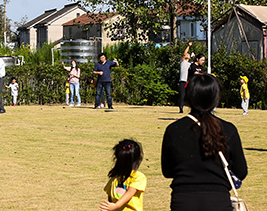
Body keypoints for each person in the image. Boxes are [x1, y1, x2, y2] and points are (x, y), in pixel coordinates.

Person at [161, 74, 248, 211]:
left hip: (183, 200)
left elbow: (167, 171)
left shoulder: (174, 130)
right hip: (218, 200)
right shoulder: (228, 129)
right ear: (216, 98)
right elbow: (241, 171)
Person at [100, 139, 147, 211]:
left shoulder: (114, 177)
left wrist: (113, 206)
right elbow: (130, 192)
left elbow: (110, 198)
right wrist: (115, 206)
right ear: (140, 156)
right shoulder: (138, 177)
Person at [178, 43, 192, 113]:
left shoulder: (190, 64)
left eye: (188, 55)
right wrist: (188, 46)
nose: (187, 55)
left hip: (189, 81)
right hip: (183, 80)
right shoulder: (182, 62)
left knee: (190, 95)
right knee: (182, 95)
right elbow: (184, 54)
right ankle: (181, 108)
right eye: (187, 54)